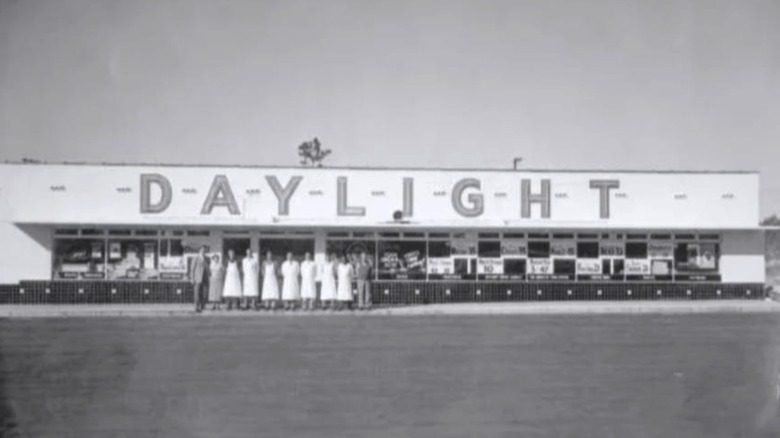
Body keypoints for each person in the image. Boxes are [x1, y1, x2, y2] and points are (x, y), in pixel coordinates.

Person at [190, 246, 209, 313]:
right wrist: (192, 278)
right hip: (197, 278)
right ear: (199, 250)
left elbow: (208, 268)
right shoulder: (196, 258)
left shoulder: (207, 258)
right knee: (197, 293)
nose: (203, 251)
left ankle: (202, 305)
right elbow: (192, 269)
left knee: (204, 293)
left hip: (205, 278)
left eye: (205, 250)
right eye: (202, 250)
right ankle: (196, 307)